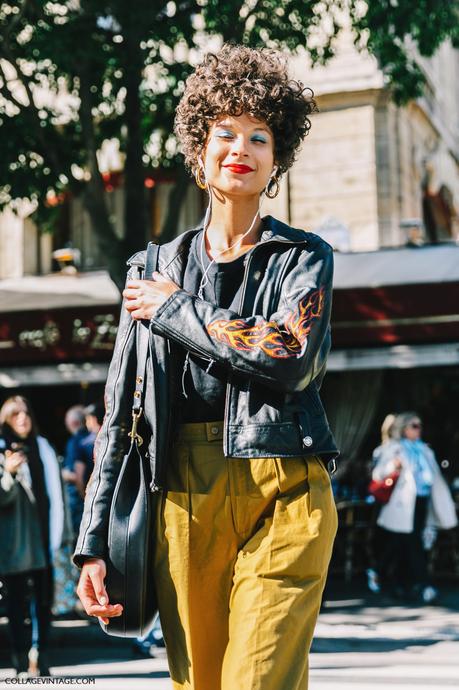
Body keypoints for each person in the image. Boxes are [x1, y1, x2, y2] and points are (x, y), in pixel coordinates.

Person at [74, 44, 339, 690]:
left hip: (285, 486)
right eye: (224, 133)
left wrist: (177, 310)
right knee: (204, 684)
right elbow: (121, 413)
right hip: (181, 493)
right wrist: (93, 540)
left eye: (259, 136)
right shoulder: (151, 270)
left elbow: (288, 355)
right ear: (199, 154)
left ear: (275, 163)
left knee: (257, 678)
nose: (240, 147)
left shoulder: (302, 257)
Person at [0, 396, 64, 677]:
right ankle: (17, 654)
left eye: (25, 414)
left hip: (43, 539)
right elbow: (3, 498)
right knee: (14, 604)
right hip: (12, 544)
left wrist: (65, 534)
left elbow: (56, 495)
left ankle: (39, 655)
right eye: (16, 415)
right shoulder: (2, 451)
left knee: (43, 602)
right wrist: (9, 474)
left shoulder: (44, 448)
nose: (22, 419)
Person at [371, 411, 457, 603]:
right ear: (404, 428)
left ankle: (393, 580)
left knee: (405, 543)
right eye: (414, 425)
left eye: (419, 425)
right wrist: (394, 467)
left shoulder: (424, 449)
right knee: (412, 543)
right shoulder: (394, 448)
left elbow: (433, 477)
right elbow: (378, 474)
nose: (419, 429)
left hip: (421, 501)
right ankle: (422, 585)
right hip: (401, 504)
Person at [61, 405, 88, 542]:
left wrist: (62, 475)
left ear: (73, 423)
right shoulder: (94, 438)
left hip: (79, 499)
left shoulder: (75, 442)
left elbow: (78, 475)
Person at [73, 403, 104, 499]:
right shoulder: (111, 440)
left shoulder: (83, 444)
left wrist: (84, 496)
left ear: (93, 419)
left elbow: (79, 472)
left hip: (92, 491)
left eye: (87, 419)